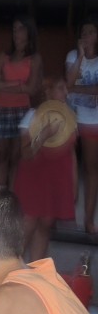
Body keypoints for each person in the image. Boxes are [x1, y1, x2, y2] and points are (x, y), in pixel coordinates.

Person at [15, 78, 78, 261]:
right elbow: (25, 153)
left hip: (56, 178)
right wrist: (43, 135)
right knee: (28, 224)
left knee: (45, 224)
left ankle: (35, 272)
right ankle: (11, 272)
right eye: (60, 88)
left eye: (66, 89)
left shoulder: (68, 116)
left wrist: (73, 186)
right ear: (48, 92)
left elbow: (72, 154)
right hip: (33, 177)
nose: (66, 93)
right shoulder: (32, 116)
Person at [0, 16, 42, 192]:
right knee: (2, 156)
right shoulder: (4, 56)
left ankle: (12, 197)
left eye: (20, 29)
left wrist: (4, 85)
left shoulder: (34, 58)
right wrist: (18, 85)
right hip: (2, 109)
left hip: (21, 111)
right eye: (14, 29)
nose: (16, 33)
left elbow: (31, 89)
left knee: (16, 157)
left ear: (28, 32)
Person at [66, 16, 98, 237]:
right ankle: (63, 214)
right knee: (67, 166)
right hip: (71, 118)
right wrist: (80, 56)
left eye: (91, 32)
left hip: (93, 120)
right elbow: (68, 83)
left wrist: (78, 90)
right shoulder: (72, 56)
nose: (86, 36)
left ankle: (88, 219)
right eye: (83, 32)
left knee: (91, 169)